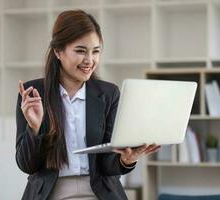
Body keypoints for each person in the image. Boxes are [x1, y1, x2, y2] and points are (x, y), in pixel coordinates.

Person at [16, 10, 161, 200]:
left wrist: (125, 160)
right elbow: (27, 165)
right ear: (58, 51)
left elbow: (107, 165)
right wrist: (34, 129)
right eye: (80, 51)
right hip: (51, 193)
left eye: (96, 51)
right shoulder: (33, 93)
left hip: (99, 192)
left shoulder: (109, 94)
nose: (90, 61)